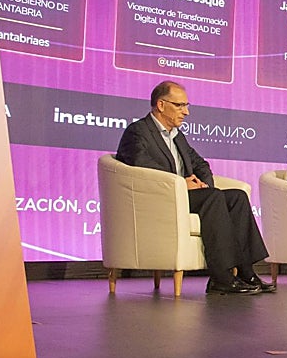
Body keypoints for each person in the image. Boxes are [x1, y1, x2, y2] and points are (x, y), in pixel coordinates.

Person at [115, 81, 273, 295]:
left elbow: (200, 164)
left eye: (186, 106)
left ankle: (246, 272)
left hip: (185, 195)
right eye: (180, 105)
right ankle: (221, 277)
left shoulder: (177, 136)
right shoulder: (138, 131)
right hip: (160, 198)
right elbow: (140, 164)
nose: (186, 112)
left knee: (237, 197)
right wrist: (181, 182)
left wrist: (203, 184)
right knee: (213, 198)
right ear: (161, 105)